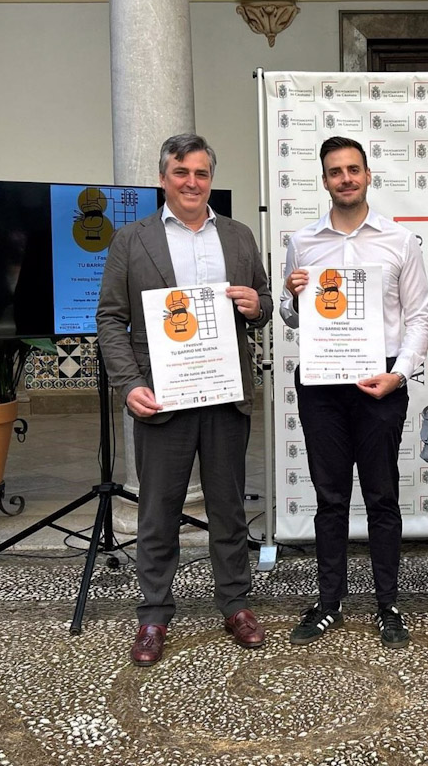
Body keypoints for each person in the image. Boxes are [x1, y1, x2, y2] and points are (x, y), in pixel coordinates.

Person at [96, 133, 273, 666]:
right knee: (157, 510)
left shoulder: (239, 237)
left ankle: (235, 604)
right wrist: (129, 385)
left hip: (225, 394)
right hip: (163, 395)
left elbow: (263, 303)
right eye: (181, 172)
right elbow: (109, 318)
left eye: (201, 173)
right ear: (163, 178)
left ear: (210, 179)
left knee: (228, 506)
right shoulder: (132, 239)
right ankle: (153, 613)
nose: (192, 182)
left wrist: (254, 304)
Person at [280, 136, 428, 649]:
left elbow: (419, 318)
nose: (345, 178)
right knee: (330, 497)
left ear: (368, 176)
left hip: (380, 381)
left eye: (353, 169)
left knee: (382, 495)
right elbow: (291, 315)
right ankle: (329, 603)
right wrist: (293, 298)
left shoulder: (399, 240)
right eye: (335, 171)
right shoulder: (302, 242)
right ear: (324, 180)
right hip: (322, 381)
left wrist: (401, 373)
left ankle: (388, 603)